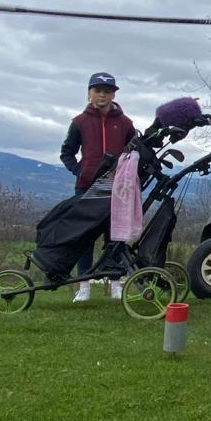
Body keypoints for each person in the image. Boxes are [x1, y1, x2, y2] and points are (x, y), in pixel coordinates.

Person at [60, 72, 136, 302]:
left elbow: (134, 152)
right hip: (87, 187)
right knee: (85, 237)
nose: (102, 95)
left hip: (116, 188)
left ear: (113, 95)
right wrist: (80, 171)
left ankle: (115, 284)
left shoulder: (125, 123)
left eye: (107, 91)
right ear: (89, 93)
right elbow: (67, 152)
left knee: (115, 236)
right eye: (98, 90)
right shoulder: (79, 122)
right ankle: (84, 286)